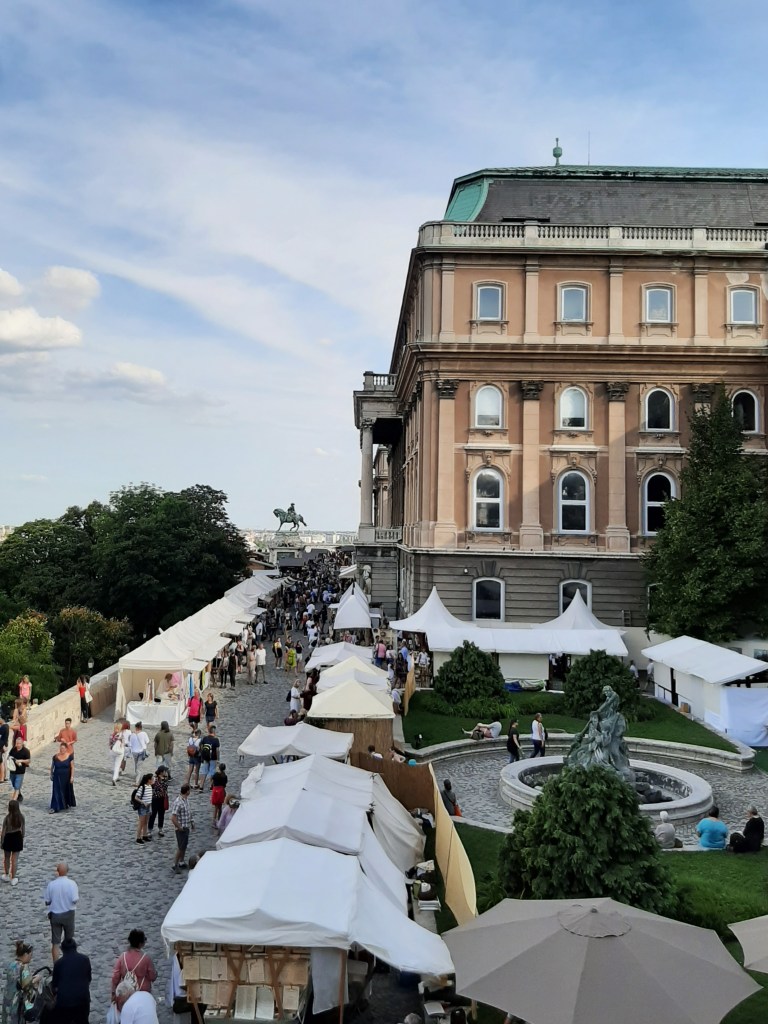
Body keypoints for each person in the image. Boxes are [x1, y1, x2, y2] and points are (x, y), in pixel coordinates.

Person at [111, 930, 157, 1006]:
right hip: (142, 994)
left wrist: (113, 992)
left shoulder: (122, 957)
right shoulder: (146, 958)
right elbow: (152, 977)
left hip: (126, 994)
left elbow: (115, 977)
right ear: (140, 944)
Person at [51, 937, 91, 1024]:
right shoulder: (85, 959)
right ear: (76, 947)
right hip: (82, 1000)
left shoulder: (58, 964)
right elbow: (89, 979)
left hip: (65, 1003)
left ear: (62, 950)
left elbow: (54, 985)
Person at [44, 863, 79, 961]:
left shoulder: (51, 884)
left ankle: (56, 965)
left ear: (57, 871)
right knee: (69, 940)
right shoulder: (72, 884)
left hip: (55, 915)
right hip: (68, 915)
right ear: (68, 871)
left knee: (55, 942)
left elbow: (47, 901)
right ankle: (68, 961)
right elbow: (75, 900)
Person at [2, 941, 34, 1024]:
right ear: (26, 954)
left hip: (8, 1000)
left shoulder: (11, 965)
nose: (31, 958)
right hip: (16, 1004)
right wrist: (36, 980)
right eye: (30, 955)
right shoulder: (23, 967)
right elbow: (27, 986)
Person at [1, 799, 24, 885]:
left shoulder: (7, 818)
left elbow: (3, 832)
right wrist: (21, 838)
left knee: (7, 857)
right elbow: (23, 830)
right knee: (15, 859)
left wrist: (2, 841)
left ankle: (6, 874)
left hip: (8, 837)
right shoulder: (21, 817)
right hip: (17, 837)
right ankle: (13, 878)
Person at [171, 784, 194, 873]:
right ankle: (174, 864)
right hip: (181, 828)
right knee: (181, 847)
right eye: (189, 790)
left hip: (186, 826)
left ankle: (181, 862)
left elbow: (188, 812)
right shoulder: (178, 802)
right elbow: (173, 817)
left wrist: (192, 822)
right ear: (187, 791)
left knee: (184, 845)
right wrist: (179, 827)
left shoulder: (186, 800)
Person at [50, 742, 76, 814]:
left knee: (65, 790)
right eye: (61, 748)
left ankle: (65, 804)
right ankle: (55, 807)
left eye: (63, 748)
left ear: (66, 749)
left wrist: (72, 777)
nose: (62, 750)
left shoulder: (69, 756)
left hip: (66, 777)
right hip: (57, 776)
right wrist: (51, 774)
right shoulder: (55, 757)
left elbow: (72, 767)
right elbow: (52, 766)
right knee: (56, 791)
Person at [148, 766, 170, 839]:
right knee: (153, 815)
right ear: (161, 772)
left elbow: (165, 787)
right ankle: (149, 830)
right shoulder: (154, 779)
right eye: (165, 771)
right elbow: (151, 787)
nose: (166, 772)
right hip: (155, 799)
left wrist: (163, 780)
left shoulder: (165, 779)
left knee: (161, 815)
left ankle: (160, 829)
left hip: (162, 799)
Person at [198, 727, 220, 793]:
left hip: (205, 757)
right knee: (212, 771)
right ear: (214, 732)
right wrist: (218, 759)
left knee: (204, 771)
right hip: (213, 757)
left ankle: (201, 787)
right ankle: (211, 786)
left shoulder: (205, 738)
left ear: (209, 731)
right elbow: (217, 750)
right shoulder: (216, 740)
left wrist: (202, 754)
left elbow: (200, 746)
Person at [8, 735, 30, 801]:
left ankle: (13, 801)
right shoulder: (13, 749)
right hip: (12, 770)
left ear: (22, 743)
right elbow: (9, 756)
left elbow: (28, 761)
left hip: (20, 771)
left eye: (19, 743)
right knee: (14, 784)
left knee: (17, 785)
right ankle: (19, 794)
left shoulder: (26, 751)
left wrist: (21, 761)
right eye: (17, 743)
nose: (17, 745)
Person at [134, 773, 153, 844]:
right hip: (143, 807)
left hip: (148, 806)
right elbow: (136, 797)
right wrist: (143, 802)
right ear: (149, 780)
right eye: (152, 779)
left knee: (146, 822)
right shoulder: (142, 787)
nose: (153, 780)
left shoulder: (150, 786)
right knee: (141, 822)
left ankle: (144, 835)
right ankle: (138, 837)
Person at [109, 722, 125, 787]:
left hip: (112, 751)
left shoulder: (111, 735)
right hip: (119, 752)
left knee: (114, 764)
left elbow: (109, 744)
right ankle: (114, 778)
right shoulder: (121, 735)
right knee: (117, 765)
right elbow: (123, 743)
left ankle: (116, 776)